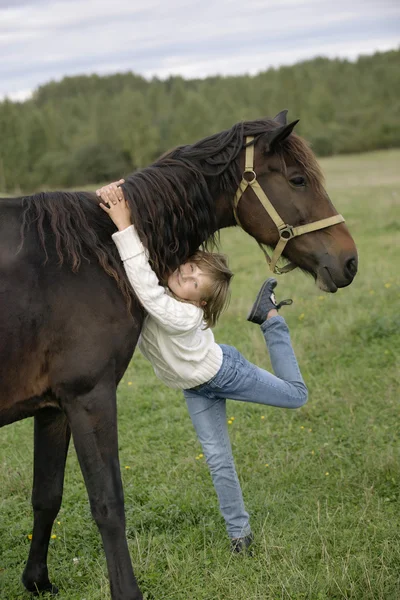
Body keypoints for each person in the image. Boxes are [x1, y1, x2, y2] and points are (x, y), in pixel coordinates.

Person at [96, 181, 308, 553]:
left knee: (296, 396)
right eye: (191, 268)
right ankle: (239, 535)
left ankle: (269, 316)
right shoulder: (166, 290)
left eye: (196, 284)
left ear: (200, 301)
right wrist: (118, 200)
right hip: (196, 388)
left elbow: (145, 287)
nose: (187, 276)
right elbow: (145, 268)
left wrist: (124, 225)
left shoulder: (182, 314)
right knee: (217, 459)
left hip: (226, 372)